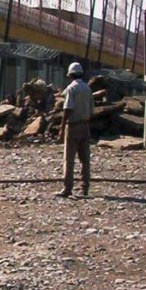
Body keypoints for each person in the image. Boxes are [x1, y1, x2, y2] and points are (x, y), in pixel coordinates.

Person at [56, 61, 94, 198]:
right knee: (85, 159)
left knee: (69, 159)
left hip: (73, 127)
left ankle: (67, 188)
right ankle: (85, 188)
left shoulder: (71, 89)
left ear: (70, 75)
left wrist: (61, 127)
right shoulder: (88, 89)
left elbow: (67, 109)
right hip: (85, 126)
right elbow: (92, 110)